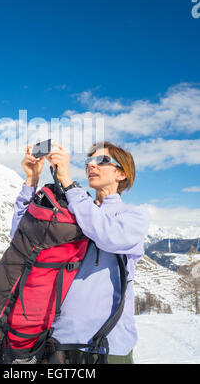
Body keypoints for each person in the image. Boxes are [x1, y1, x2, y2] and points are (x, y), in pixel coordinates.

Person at [10, 141, 150, 364]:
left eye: (102, 161)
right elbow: (22, 239)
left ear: (121, 174)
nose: (91, 165)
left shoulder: (133, 216)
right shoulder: (75, 209)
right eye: (89, 162)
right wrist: (31, 181)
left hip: (108, 347)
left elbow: (107, 235)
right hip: (57, 344)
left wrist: (67, 183)